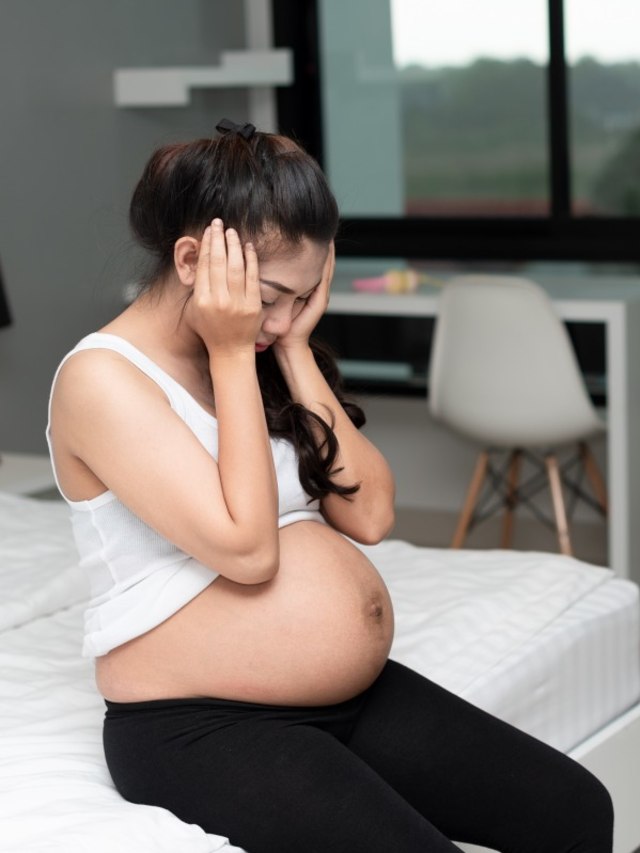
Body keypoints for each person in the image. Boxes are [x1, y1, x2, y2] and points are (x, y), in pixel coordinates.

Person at [47, 119, 614, 853]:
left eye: (304, 296)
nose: (281, 316)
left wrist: (289, 348)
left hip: (347, 697)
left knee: (576, 810)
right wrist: (230, 349)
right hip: (198, 723)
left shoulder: (262, 347)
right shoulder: (102, 380)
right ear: (192, 259)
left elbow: (371, 513)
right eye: (271, 297)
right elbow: (248, 551)